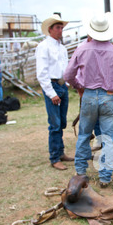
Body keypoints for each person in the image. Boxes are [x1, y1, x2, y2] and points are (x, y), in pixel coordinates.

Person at [63, 12, 113, 187]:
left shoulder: (82, 49)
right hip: (109, 97)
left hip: (89, 96)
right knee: (108, 138)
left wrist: (79, 86)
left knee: (84, 134)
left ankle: (80, 171)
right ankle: (105, 177)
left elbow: (68, 74)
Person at [36, 13, 74, 170]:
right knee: (55, 124)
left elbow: (65, 68)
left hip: (61, 85)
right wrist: (52, 93)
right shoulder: (43, 47)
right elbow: (42, 73)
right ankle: (54, 157)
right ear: (50, 30)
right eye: (58, 28)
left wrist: (66, 83)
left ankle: (60, 153)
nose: (60, 30)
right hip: (52, 86)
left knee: (62, 122)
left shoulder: (62, 48)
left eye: (61, 27)